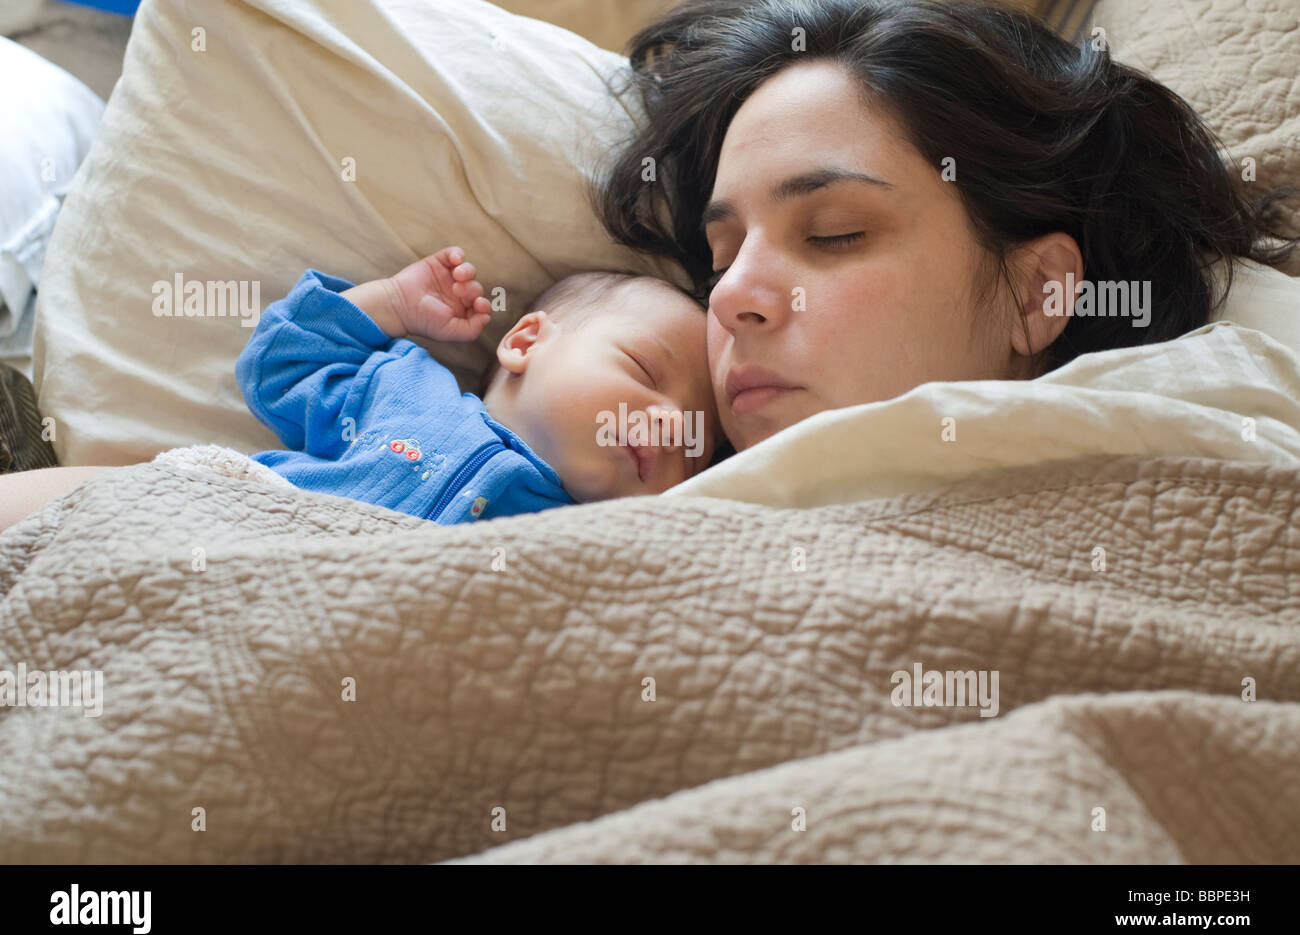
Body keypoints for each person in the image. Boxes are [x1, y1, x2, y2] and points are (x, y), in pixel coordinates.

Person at [591, 0, 1300, 452]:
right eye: (722, 255)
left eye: (833, 233)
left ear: (1037, 294)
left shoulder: (1213, 448)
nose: (727, 296)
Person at [0, 248, 719, 530]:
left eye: (694, 447)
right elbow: (282, 367)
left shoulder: (587, 533)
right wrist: (391, 307)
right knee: (80, 504)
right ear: (526, 340)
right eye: (644, 375)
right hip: (242, 522)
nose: (667, 427)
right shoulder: (403, 386)